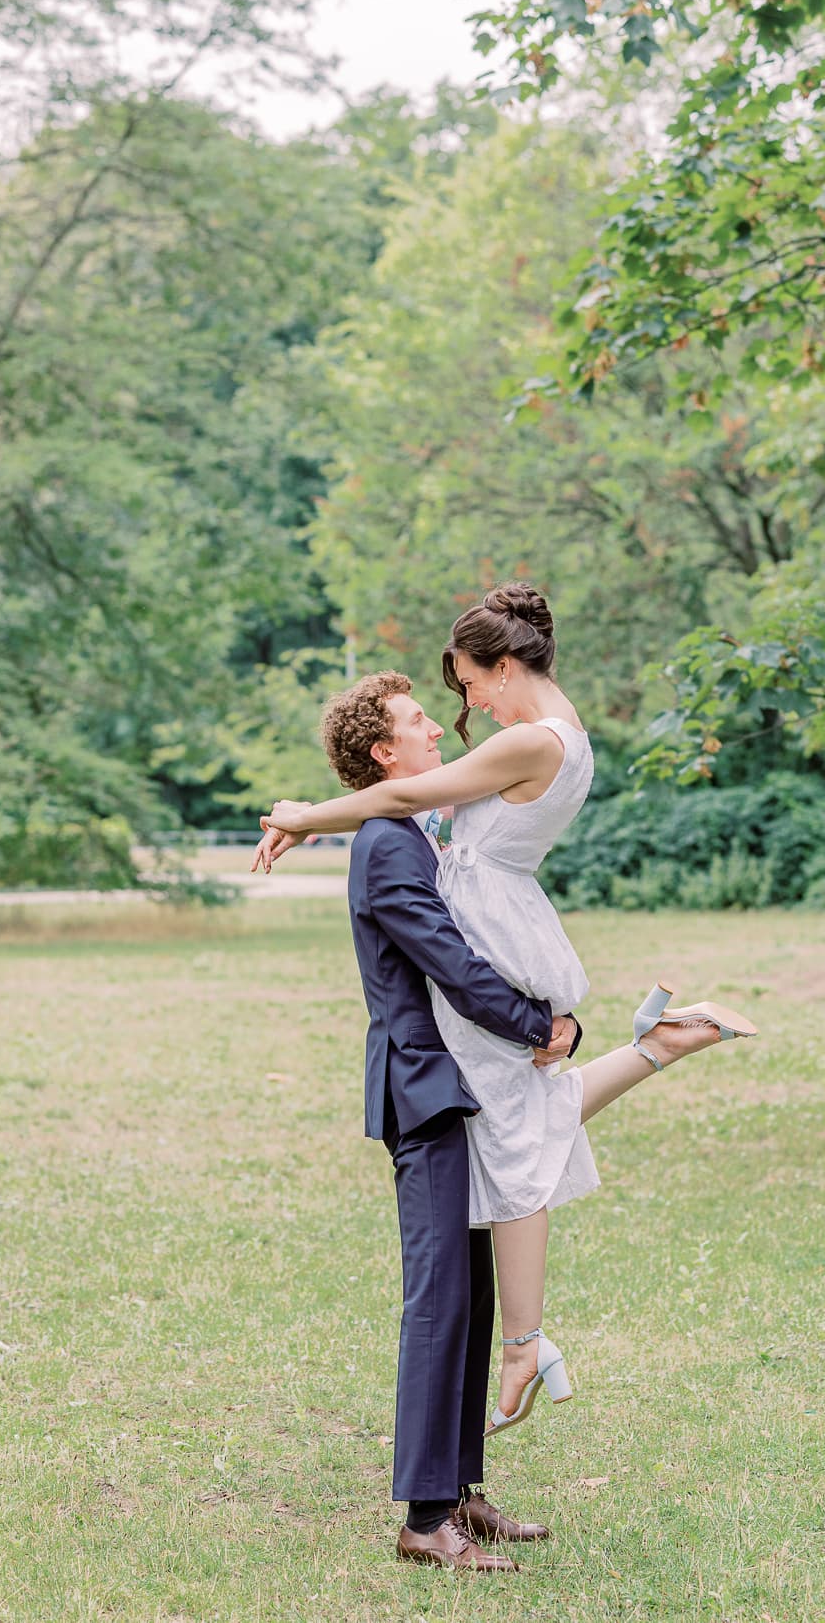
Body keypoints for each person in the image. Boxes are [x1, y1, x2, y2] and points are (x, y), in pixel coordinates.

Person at [255, 583, 757, 1439]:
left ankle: (523, 1341)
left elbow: (396, 798)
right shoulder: (565, 736)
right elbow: (408, 793)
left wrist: (305, 816)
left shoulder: (530, 737)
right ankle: (656, 1049)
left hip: (488, 925)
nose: (468, 705)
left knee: (520, 1133)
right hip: (506, 918)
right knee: (528, 1113)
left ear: (505, 663)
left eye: (470, 684)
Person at [298, 670, 583, 1573]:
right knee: (440, 1302)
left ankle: (461, 1492)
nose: (436, 729)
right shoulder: (386, 842)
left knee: (472, 1294)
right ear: (385, 752)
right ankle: (424, 1519)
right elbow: (454, 965)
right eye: (420, 721)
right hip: (426, 1089)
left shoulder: (414, 827)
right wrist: (539, 1025)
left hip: (465, 1084)